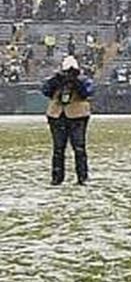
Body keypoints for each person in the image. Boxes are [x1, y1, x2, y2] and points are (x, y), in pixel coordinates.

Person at [41, 54, 93, 185]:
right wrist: (57, 80)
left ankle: (82, 177)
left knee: (79, 147)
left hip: (78, 116)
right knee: (58, 149)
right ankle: (57, 178)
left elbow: (86, 93)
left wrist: (75, 81)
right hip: (57, 115)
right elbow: (46, 91)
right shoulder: (55, 80)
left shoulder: (84, 80)